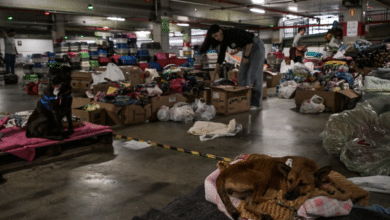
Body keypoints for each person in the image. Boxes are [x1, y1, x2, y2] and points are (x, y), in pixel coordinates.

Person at [200, 24, 265, 110]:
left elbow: (249, 41)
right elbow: (220, 58)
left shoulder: (232, 33)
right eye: (214, 37)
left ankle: (257, 104)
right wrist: (214, 76)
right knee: (241, 76)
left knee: (254, 75)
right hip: (247, 49)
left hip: (256, 47)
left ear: (220, 31)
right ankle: (243, 101)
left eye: (216, 35)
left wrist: (245, 57)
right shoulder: (224, 40)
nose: (216, 38)